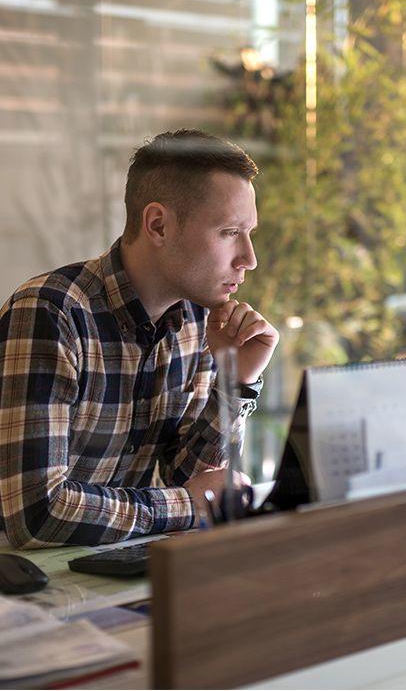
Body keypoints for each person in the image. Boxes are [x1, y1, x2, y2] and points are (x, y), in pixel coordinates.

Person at [0, 129, 279, 549]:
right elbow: (37, 513)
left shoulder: (197, 321)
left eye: (249, 234)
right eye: (229, 232)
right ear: (158, 224)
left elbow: (191, 476)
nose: (249, 259)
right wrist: (187, 504)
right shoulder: (50, 313)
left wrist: (235, 382)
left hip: (102, 571)